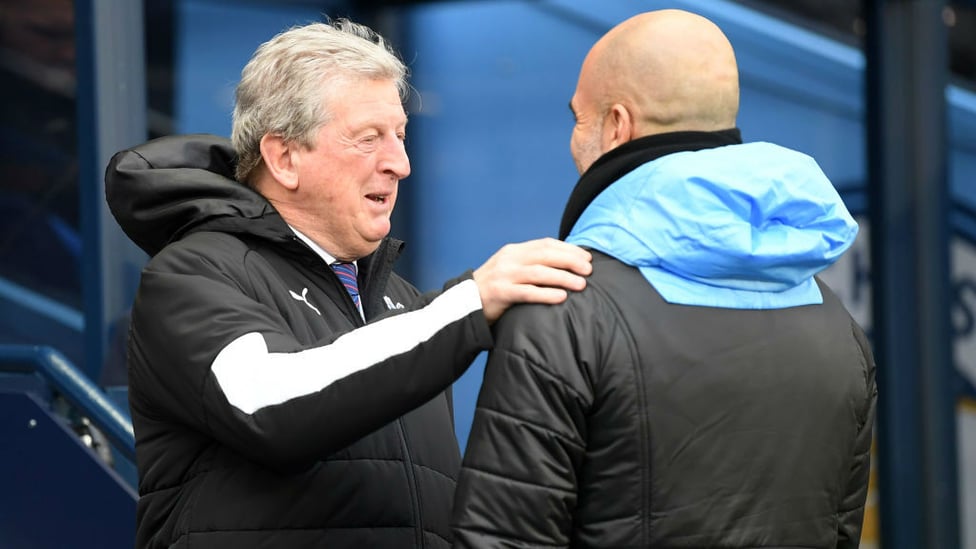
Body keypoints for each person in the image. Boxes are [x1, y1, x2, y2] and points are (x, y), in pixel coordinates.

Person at [104, 18, 592, 549]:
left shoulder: (405, 304)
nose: (401, 164)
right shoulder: (192, 273)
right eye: (369, 139)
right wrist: (469, 304)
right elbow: (271, 407)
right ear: (284, 157)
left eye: (401, 135)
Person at [451, 9, 876, 549]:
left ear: (618, 126)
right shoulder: (835, 323)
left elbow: (501, 539)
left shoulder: (562, 312)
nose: (573, 140)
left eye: (579, 119)